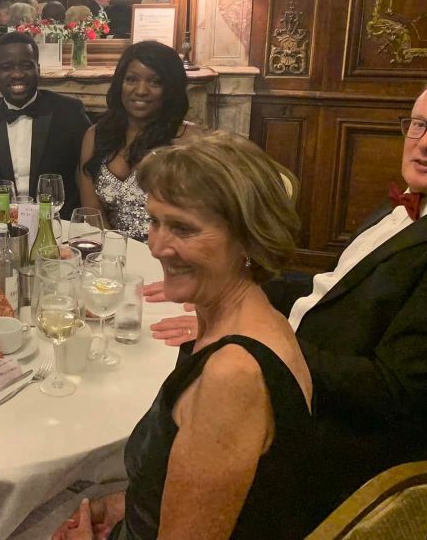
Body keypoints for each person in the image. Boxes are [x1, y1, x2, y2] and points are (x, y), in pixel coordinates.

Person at [147, 67, 427, 524]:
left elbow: (393, 394)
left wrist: (259, 341)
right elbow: (338, 285)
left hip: (348, 448)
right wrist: (229, 288)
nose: (426, 142)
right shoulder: (417, 199)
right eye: (419, 124)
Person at [54, 131, 316, 540]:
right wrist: (128, 503)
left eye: (183, 229)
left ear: (247, 238)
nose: (157, 246)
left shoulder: (233, 376)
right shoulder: (250, 315)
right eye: (155, 221)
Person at [78, 42, 199, 241]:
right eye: (131, 79)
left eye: (155, 82)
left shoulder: (189, 141)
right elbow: (92, 214)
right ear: (120, 83)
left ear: (170, 88)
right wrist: (115, 253)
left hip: (167, 251)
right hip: (109, 252)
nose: (141, 90)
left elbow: (196, 220)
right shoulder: (95, 135)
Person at [0, 32, 90, 216]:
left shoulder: (69, 113)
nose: (17, 74)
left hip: (57, 223)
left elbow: (92, 171)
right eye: (7, 67)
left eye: (26, 66)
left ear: (38, 70)